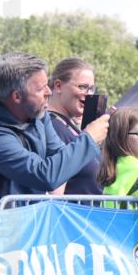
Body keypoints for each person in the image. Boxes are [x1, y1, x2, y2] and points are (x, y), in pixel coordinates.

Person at [0, 52, 109, 201]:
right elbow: (45, 176)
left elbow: (60, 154)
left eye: (47, 85)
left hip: (28, 215)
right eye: (40, 89)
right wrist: (89, 138)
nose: (49, 92)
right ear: (17, 96)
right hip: (1, 217)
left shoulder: (38, 116)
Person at [45, 58, 101, 195]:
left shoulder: (68, 125)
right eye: (82, 87)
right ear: (58, 86)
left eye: (92, 89)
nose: (89, 94)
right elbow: (55, 194)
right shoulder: (53, 127)